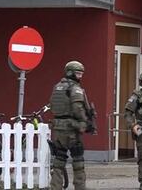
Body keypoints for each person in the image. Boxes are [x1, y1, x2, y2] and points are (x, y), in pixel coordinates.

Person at [49, 60, 89, 190]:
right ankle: (80, 187)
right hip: (71, 129)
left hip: (58, 128)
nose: (80, 77)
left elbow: (53, 105)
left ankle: (55, 187)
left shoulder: (57, 87)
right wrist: (84, 121)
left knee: (59, 160)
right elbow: (78, 108)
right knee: (78, 161)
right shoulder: (75, 88)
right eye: (78, 74)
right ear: (70, 72)